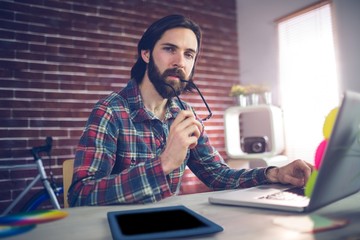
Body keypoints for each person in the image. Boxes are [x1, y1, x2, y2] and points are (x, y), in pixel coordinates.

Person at [68, 14, 313, 207]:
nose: (180, 62)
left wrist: (274, 174)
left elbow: (218, 175)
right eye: (169, 49)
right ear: (145, 53)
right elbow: (81, 194)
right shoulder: (110, 111)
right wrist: (163, 163)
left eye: (189, 54)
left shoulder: (185, 114)